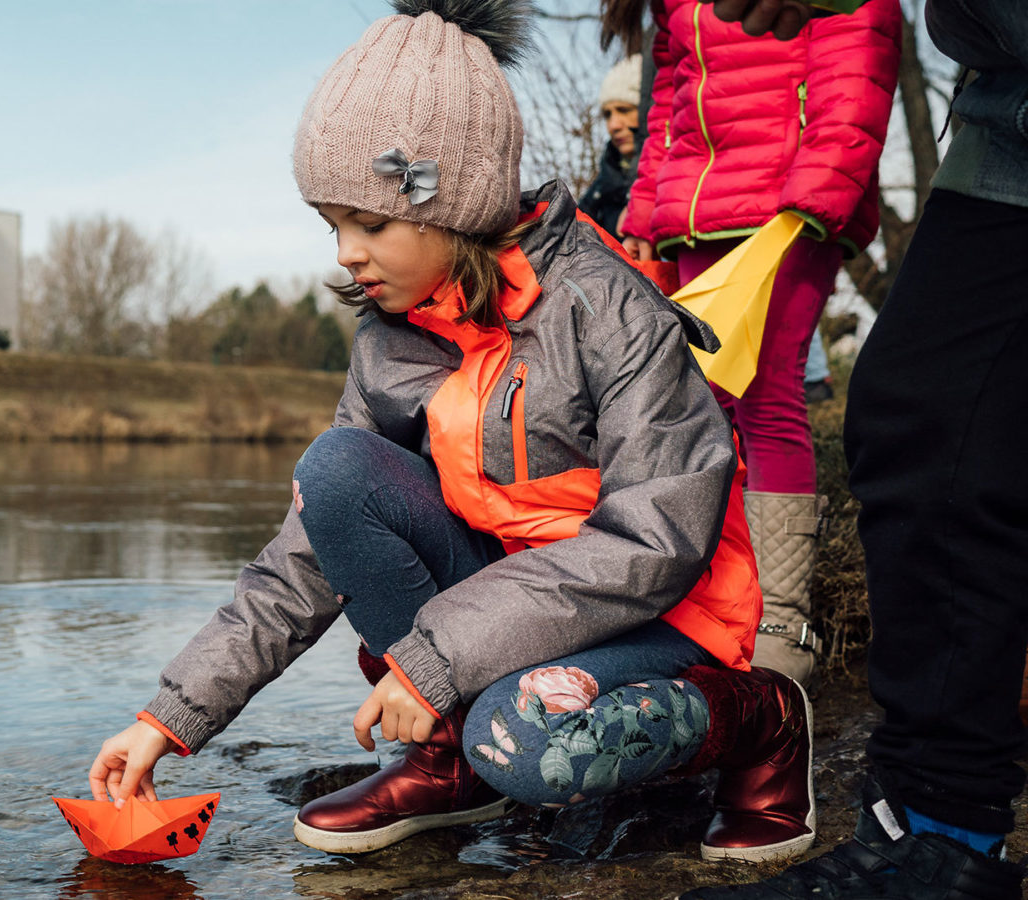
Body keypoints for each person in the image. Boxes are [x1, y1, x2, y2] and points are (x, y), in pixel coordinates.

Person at [88, 0, 816, 865]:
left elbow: (655, 541)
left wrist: (432, 661)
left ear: (452, 199)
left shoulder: (608, 307)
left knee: (526, 739)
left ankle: (761, 722)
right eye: (332, 224)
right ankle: (456, 758)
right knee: (336, 473)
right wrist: (170, 719)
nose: (344, 255)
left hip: (663, 611)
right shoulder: (391, 338)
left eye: (371, 223)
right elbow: (308, 554)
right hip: (512, 603)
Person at [679, 0, 1028, 897]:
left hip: (813, 195)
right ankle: (931, 826)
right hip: (1006, 117)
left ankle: (792, 635)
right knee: (921, 414)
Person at [608, 0, 901, 688]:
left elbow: (858, 54)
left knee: (767, 395)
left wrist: (820, 191)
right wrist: (647, 206)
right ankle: (712, 598)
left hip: (786, 201)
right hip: (694, 211)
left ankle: (784, 619)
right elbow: (670, 103)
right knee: (698, 404)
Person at [578, 53, 644, 241]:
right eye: (607, 114)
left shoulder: (671, 178)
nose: (614, 125)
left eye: (624, 110)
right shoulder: (602, 186)